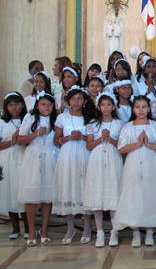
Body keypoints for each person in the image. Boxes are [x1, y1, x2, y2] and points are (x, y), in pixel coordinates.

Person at [115, 96, 156, 247]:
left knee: (150, 195)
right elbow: (121, 148)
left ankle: (149, 231)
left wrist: (148, 144)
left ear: (149, 109)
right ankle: (135, 232)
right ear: (133, 109)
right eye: (138, 107)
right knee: (134, 196)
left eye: (144, 107)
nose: (141, 110)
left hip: (151, 164)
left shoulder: (154, 125)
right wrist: (138, 143)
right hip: (133, 164)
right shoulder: (127, 127)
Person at [53, 86, 95, 245]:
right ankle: (70, 227)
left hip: (84, 154)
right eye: (73, 98)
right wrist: (67, 138)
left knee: (84, 188)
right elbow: (56, 140)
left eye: (79, 98)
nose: (76, 102)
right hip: (67, 155)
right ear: (68, 101)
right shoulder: (62, 118)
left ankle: (86, 226)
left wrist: (83, 137)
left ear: (84, 101)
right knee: (68, 188)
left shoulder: (89, 117)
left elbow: (92, 139)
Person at [17, 92, 58, 246]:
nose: (46, 107)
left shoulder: (56, 119)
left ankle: (45, 229)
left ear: (53, 106)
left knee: (48, 196)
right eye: (43, 104)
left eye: (49, 104)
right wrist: (35, 134)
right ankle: (32, 230)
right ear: (37, 105)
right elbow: (20, 140)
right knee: (32, 195)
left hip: (50, 156)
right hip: (33, 158)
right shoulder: (30, 118)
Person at [84, 92, 124, 247]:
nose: (106, 107)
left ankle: (115, 231)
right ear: (99, 107)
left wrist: (110, 139)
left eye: (108, 104)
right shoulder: (93, 124)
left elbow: (122, 145)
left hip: (113, 157)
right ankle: (100, 231)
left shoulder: (119, 124)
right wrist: (101, 139)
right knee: (97, 192)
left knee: (114, 191)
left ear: (113, 106)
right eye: (103, 105)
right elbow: (89, 145)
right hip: (97, 158)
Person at [0, 92, 28, 240]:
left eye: (16, 104)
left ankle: (28, 227)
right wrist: (12, 141)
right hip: (7, 159)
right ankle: (15, 227)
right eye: (10, 105)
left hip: (23, 157)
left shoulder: (27, 119)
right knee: (10, 191)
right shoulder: (2, 123)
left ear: (22, 104)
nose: (14, 107)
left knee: (22, 190)